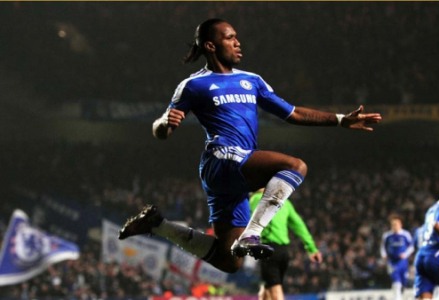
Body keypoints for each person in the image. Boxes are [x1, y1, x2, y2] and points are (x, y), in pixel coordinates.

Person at [118, 18, 382, 274]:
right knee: (295, 166)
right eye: (230, 37)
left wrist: (339, 119)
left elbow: (293, 113)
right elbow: (160, 132)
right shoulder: (193, 85)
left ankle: (157, 224)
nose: (237, 43)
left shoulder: (252, 80)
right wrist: (164, 122)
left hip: (234, 171)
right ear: (210, 45)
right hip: (220, 159)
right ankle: (252, 234)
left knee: (230, 261)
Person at [249, 188, 322, 300]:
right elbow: (299, 225)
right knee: (267, 288)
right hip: (283, 252)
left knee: (275, 293)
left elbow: (248, 222)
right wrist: (311, 248)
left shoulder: (256, 199)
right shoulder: (284, 202)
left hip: (269, 249)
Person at [380, 214, 414, 300]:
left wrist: (405, 254)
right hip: (392, 261)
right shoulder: (387, 235)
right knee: (396, 281)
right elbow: (382, 247)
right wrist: (384, 255)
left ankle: (399, 294)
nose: (394, 226)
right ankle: (397, 297)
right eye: (393, 224)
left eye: (396, 224)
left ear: (400, 224)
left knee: (404, 282)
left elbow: (411, 247)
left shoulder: (405, 234)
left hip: (403, 262)